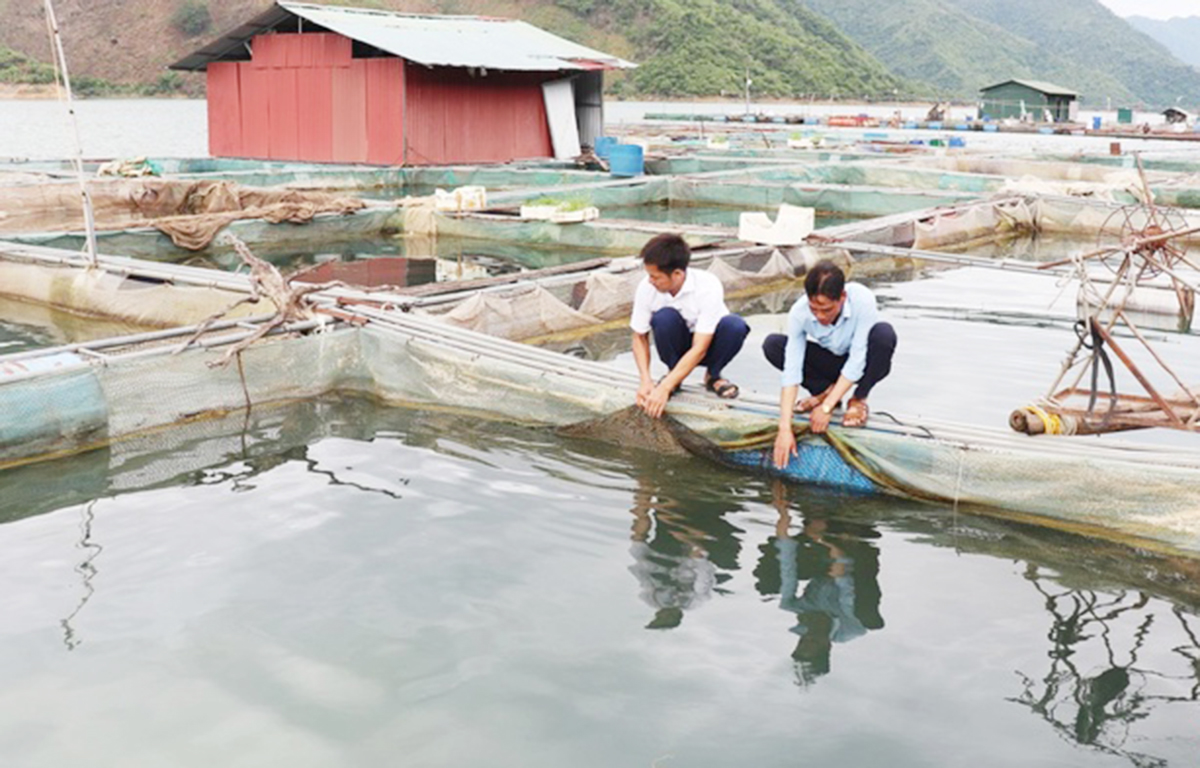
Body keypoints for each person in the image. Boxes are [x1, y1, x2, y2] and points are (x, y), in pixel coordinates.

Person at [763, 260, 896, 468]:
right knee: (773, 345)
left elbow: (857, 359)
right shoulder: (799, 312)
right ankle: (824, 390)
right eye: (814, 309)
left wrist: (826, 408)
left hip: (859, 363)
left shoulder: (862, 299)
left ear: (842, 297)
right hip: (832, 361)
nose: (820, 316)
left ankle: (857, 399)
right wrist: (784, 429)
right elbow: (792, 370)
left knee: (884, 335)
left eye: (826, 310)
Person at [631, 233, 750, 418]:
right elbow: (639, 336)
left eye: (656, 277)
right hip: (677, 347)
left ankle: (713, 376)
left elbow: (700, 348)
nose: (650, 281)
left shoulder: (707, 285)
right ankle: (674, 375)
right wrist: (645, 380)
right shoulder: (646, 288)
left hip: (707, 345)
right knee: (664, 318)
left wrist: (664, 387)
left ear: (677, 274)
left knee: (735, 325)